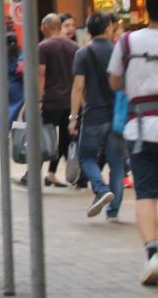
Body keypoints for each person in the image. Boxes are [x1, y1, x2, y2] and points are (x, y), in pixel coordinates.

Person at [109, 0, 158, 285]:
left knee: (146, 192)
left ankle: (153, 254)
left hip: (139, 128)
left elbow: (115, 81)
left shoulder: (127, 41)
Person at [70, 12, 124, 220]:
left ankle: (101, 190)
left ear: (88, 31)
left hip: (93, 114)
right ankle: (113, 211)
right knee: (117, 162)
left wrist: (73, 117)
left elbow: (78, 87)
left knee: (86, 156)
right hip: (117, 116)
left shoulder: (83, 54)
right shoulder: (120, 51)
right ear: (108, 29)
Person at [19, 13, 77, 187]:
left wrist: (38, 99)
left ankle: (32, 174)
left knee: (44, 138)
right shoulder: (74, 47)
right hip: (69, 101)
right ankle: (79, 175)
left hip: (51, 100)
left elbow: (41, 74)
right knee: (66, 138)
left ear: (46, 27)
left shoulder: (43, 47)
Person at [0, 31, 24, 132]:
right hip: (20, 89)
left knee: (3, 114)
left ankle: (5, 136)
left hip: (4, 90)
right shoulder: (22, 56)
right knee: (17, 116)